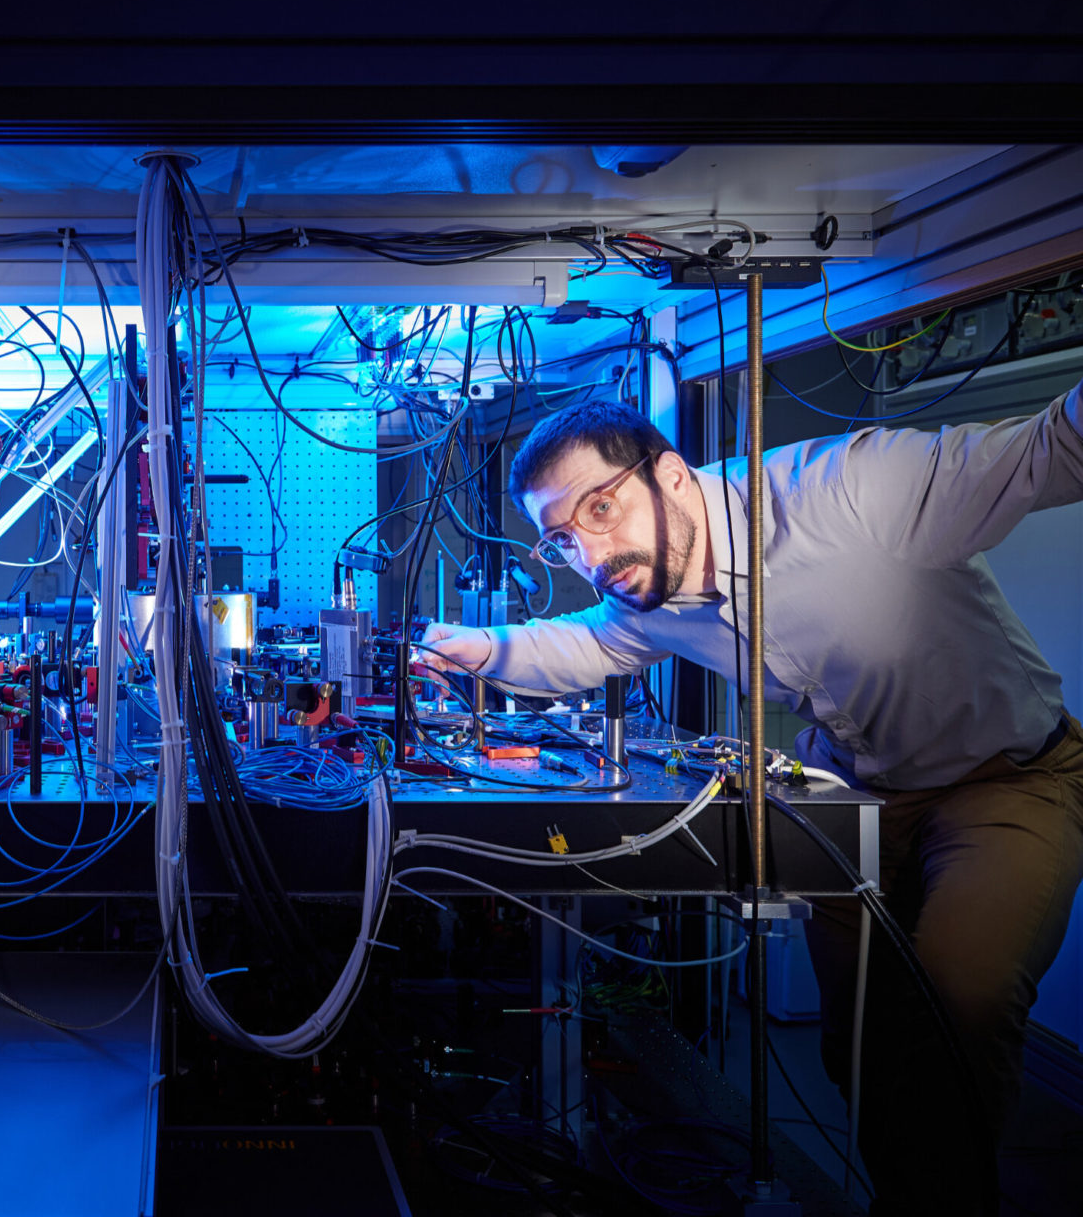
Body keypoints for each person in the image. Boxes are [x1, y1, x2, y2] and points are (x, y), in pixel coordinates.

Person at [413, 391, 1083, 1215]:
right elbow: (588, 642)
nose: (591, 554)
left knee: (958, 998)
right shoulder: (646, 597)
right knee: (860, 1045)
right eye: (562, 539)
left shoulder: (851, 489)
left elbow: (1051, 447)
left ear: (671, 473)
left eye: (601, 508)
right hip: (858, 789)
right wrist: (473, 650)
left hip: (1008, 774)